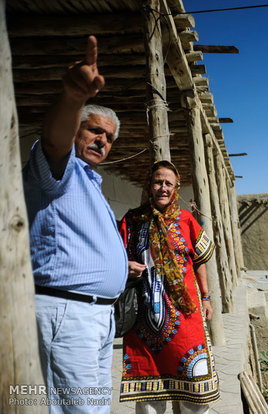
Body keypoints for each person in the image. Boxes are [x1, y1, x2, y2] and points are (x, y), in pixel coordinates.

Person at [22, 36, 128, 413]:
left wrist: (118, 265)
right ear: (77, 131)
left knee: (91, 407)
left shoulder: (90, 182)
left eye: (109, 138)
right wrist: (72, 97)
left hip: (97, 314)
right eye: (94, 131)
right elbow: (54, 141)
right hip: (69, 314)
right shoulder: (60, 167)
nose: (102, 140)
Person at [118, 160, 220, 413]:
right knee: (148, 392)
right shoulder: (131, 221)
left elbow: (199, 262)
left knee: (194, 387)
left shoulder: (186, 220)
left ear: (175, 189)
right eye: (157, 182)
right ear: (149, 186)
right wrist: (126, 264)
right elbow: (114, 257)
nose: (163, 187)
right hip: (143, 320)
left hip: (185, 317)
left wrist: (206, 297)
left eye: (168, 183)